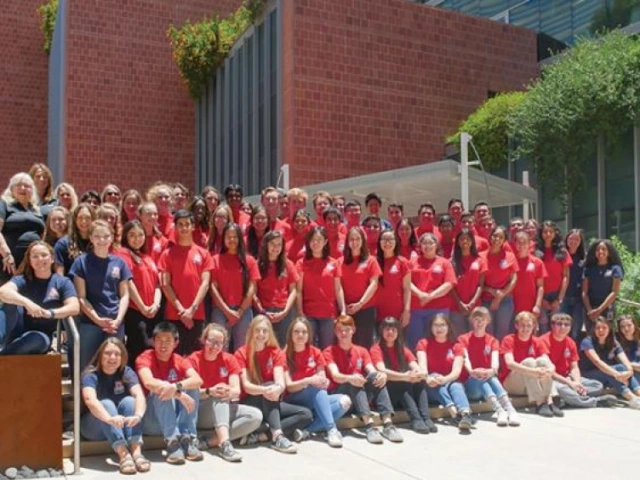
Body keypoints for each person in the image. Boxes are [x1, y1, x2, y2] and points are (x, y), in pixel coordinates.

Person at [236, 315, 312, 453]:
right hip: (251, 401)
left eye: (264, 331)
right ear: (251, 331)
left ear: (269, 333)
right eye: (257, 330)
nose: (261, 334)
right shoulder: (242, 353)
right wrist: (268, 389)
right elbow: (247, 386)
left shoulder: (276, 352)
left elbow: (281, 383)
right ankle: (277, 436)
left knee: (306, 414)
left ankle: (263, 434)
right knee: (269, 385)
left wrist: (277, 389)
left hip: (271, 399)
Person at [188, 323, 262, 462]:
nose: (214, 346)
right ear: (204, 340)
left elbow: (237, 390)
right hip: (201, 410)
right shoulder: (193, 359)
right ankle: (225, 445)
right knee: (219, 395)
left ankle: (209, 441)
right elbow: (190, 393)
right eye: (211, 341)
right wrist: (210, 391)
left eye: (219, 343)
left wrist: (228, 392)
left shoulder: (229, 359)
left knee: (255, 416)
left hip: (223, 407)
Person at [324, 314, 403, 444]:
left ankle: (388, 425)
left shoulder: (361, 351)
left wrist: (380, 374)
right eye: (339, 329)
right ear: (335, 332)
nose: (343, 333)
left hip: (360, 398)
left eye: (347, 329)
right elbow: (336, 376)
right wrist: (350, 378)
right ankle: (370, 426)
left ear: (353, 330)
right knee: (354, 380)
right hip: (342, 398)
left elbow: (371, 370)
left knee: (375, 376)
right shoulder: (329, 351)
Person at [136, 321, 203, 464]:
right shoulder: (145, 357)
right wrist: (176, 392)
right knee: (161, 388)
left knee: (191, 387)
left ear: (176, 343)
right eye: (159, 340)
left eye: (168, 340)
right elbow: (148, 382)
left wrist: (176, 386)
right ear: (153, 342)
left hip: (174, 418)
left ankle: (187, 438)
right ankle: (172, 442)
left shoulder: (179, 360)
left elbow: (198, 380)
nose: (163, 344)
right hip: (151, 421)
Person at [81, 338, 149, 474]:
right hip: (94, 427)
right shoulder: (90, 374)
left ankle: (136, 451)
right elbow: (90, 400)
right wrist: (109, 419)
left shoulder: (126, 372)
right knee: (106, 404)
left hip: (119, 424)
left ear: (123, 357)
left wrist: (138, 415)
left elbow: (139, 395)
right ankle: (123, 454)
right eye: (107, 353)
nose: (112, 357)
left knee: (130, 401)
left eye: (117, 354)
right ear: (100, 356)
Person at [70, 220, 131, 371]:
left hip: (114, 323)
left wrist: (117, 320)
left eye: (105, 236)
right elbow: (81, 297)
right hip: (90, 324)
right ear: (90, 238)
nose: (101, 240)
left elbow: (124, 295)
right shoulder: (81, 262)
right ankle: (84, 395)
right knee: (87, 366)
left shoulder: (120, 263)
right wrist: (98, 320)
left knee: (114, 366)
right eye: (97, 236)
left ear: (111, 238)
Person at [0, 241, 79, 355]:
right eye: (35, 256)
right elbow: (3, 292)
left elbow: (74, 307)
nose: (40, 259)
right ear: (30, 261)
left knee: (35, 340)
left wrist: (50, 313)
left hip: (41, 336)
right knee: (10, 302)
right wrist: (27, 303)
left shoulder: (62, 282)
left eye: (44, 255)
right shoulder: (22, 279)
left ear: (52, 259)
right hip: (15, 331)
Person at [284, 317, 351, 447]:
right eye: (296, 332)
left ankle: (306, 431)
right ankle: (331, 429)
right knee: (317, 389)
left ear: (309, 334)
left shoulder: (315, 352)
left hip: (316, 396)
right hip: (294, 398)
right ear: (290, 334)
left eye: (304, 332)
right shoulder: (284, 354)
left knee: (345, 401)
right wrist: (308, 380)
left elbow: (322, 380)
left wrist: (322, 381)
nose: (300, 335)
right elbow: (289, 387)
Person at [158, 210, 213, 355]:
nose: (184, 228)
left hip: (197, 314)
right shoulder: (167, 254)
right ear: (175, 227)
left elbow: (205, 283)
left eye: (187, 224)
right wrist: (181, 310)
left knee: (195, 355)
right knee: (173, 355)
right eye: (180, 224)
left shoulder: (204, 254)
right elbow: (165, 284)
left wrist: (192, 310)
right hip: (174, 314)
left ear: (193, 226)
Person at [371, 317, 436, 433]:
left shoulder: (402, 348)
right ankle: (415, 419)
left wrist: (418, 374)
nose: (390, 332)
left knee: (419, 382)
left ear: (398, 332)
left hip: (403, 394)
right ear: (381, 331)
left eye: (393, 330)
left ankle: (426, 418)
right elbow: (382, 370)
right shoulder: (376, 349)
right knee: (402, 383)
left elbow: (416, 366)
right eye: (387, 329)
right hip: (386, 396)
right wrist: (405, 377)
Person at [459, 307, 519, 426]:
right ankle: (500, 410)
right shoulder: (463, 339)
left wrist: (490, 371)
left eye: (483, 319)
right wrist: (472, 371)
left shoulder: (493, 341)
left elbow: (495, 363)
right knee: (481, 378)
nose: (479, 322)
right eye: (476, 319)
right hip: (471, 385)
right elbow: (465, 359)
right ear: (472, 321)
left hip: (487, 380)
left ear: (488, 321)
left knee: (489, 377)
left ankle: (510, 410)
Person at [540, 313, 611, 409]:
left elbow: (574, 367)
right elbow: (549, 370)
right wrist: (569, 383)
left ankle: (571, 398)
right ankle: (594, 402)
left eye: (566, 324)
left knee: (597, 385)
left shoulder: (570, 342)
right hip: (551, 378)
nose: (563, 327)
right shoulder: (543, 341)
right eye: (559, 324)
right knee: (562, 389)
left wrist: (577, 383)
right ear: (552, 326)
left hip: (568, 377)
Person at [416, 314, 473, 431]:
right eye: (435, 325)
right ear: (431, 328)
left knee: (456, 385)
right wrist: (428, 379)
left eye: (442, 325)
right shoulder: (423, 343)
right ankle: (454, 413)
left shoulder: (457, 346)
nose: (439, 328)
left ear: (448, 327)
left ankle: (465, 414)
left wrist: (445, 379)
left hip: (449, 382)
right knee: (435, 377)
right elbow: (423, 368)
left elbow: (456, 372)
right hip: (431, 386)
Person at [116, 220, 162, 364]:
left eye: (140, 235)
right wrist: (142, 307)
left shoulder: (147, 257)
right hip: (135, 310)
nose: (137, 239)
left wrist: (156, 304)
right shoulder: (123, 253)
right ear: (125, 237)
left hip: (152, 311)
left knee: (151, 350)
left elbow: (157, 285)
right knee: (139, 348)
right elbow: (128, 282)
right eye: (132, 235)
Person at [211, 223, 260, 351]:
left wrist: (240, 311)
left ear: (240, 238)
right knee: (219, 348)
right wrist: (227, 311)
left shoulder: (249, 261)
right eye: (228, 236)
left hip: (243, 311)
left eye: (235, 236)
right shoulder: (215, 260)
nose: (232, 240)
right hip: (220, 310)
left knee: (243, 349)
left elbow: (252, 288)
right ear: (223, 239)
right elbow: (213, 288)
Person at [499, 312, 558, 417]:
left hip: (530, 382)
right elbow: (510, 364)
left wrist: (551, 370)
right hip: (512, 384)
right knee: (529, 362)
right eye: (522, 325)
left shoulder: (537, 341)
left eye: (529, 326)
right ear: (516, 326)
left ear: (534, 326)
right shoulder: (509, 339)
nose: (525, 329)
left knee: (543, 362)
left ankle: (549, 401)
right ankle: (540, 403)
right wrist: (533, 371)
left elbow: (548, 361)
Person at [296, 226, 345, 349]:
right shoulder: (301, 263)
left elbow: (338, 289)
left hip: (328, 314)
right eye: (313, 240)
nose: (315, 243)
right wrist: (300, 311)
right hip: (308, 314)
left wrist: (343, 310)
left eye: (319, 239)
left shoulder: (333, 263)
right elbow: (299, 290)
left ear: (325, 242)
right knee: (308, 348)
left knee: (327, 349)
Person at [408, 232, 456, 350]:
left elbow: (449, 283)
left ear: (436, 245)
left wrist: (430, 296)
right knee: (416, 341)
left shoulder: (444, 262)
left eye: (431, 243)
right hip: (416, 309)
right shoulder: (412, 262)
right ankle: (419, 366)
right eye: (424, 243)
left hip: (439, 309)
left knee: (438, 340)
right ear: (420, 246)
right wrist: (420, 294)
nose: (427, 245)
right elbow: (406, 283)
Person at [579, 316, 640, 408]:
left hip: (607, 373)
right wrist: (617, 375)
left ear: (609, 329)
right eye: (598, 328)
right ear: (593, 330)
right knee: (610, 370)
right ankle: (631, 398)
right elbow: (597, 362)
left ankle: (638, 393)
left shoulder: (613, 342)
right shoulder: (587, 342)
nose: (601, 330)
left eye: (604, 328)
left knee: (621, 367)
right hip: (587, 374)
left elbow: (625, 360)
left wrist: (629, 371)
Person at [339, 226, 381, 349]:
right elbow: (338, 287)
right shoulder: (340, 262)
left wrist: (360, 304)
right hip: (346, 309)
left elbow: (374, 284)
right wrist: (343, 308)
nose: (355, 242)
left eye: (358, 239)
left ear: (363, 241)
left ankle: (365, 368)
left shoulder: (371, 261)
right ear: (347, 242)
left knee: (365, 344)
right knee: (347, 343)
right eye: (351, 239)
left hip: (366, 309)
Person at [255, 230, 298, 346]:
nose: (276, 247)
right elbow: (253, 292)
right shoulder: (258, 265)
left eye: (279, 244)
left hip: (283, 311)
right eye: (273, 244)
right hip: (264, 311)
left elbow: (294, 290)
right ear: (266, 245)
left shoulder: (288, 264)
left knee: (283, 345)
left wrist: (285, 311)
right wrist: (262, 311)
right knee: (263, 345)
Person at [0, 172, 45, 282]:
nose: (22, 188)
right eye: (18, 185)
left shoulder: (37, 210)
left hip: (33, 264)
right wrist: (6, 254)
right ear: (11, 189)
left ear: (32, 190)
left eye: (27, 186)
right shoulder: (5, 204)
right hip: (10, 262)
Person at [481, 226, 518, 340]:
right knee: (488, 331)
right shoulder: (481, 256)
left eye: (501, 237)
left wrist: (500, 295)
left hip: (505, 300)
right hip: (486, 299)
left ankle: (502, 356)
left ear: (504, 240)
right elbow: (479, 283)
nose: (497, 239)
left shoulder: (510, 256)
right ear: (490, 237)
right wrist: (491, 291)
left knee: (503, 331)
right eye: (495, 236)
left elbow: (514, 279)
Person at [535, 221, 572, 332]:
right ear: (541, 233)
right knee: (543, 326)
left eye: (551, 231)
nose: (548, 234)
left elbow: (565, 276)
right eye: (545, 231)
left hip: (557, 294)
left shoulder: (562, 252)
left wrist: (559, 299)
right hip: (540, 294)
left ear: (555, 233)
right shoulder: (535, 251)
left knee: (557, 326)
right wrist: (540, 300)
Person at [450, 229, 486, 336]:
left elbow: (481, 285)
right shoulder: (451, 262)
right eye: (461, 239)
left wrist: (472, 303)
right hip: (456, 306)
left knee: (476, 335)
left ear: (472, 241)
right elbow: (450, 286)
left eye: (467, 239)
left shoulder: (479, 260)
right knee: (459, 337)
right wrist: (460, 303)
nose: (465, 241)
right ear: (457, 242)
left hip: (475, 305)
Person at [582, 239, 623, 330]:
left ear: (609, 252)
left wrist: (599, 310)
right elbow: (584, 292)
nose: (600, 251)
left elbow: (614, 292)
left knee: (607, 335)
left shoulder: (615, 269)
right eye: (598, 249)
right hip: (590, 308)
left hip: (607, 308)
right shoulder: (588, 269)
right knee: (591, 333)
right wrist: (589, 311)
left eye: (604, 249)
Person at [376, 229, 412, 330]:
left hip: (398, 314)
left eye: (391, 239)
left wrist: (406, 311)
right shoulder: (374, 262)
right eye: (384, 239)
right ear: (379, 242)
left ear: (396, 241)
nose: (387, 243)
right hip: (377, 313)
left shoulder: (402, 262)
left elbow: (407, 289)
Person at [512, 231, 547, 323]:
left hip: (530, 306)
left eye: (524, 242)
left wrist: (537, 305)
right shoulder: (511, 261)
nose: (521, 245)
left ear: (529, 244)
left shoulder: (537, 262)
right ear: (515, 244)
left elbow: (540, 286)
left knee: (530, 333)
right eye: (519, 242)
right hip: (512, 306)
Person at [54, 203, 95, 276]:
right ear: (75, 220)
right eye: (80, 218)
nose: (84, 221)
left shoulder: (98, 243)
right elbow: (59, 275)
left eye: (87, 218)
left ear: (93, 219)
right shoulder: (63, 244)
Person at [563, 229, 586, 340]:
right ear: (566, 239)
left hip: (578, 299)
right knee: (562, 327)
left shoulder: (583, 259)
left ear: (580, 242)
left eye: (577, 239)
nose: (573, 241)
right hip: (563, 298)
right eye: (571, 238)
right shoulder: (560, 255)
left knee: (576, 329)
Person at [617, 315, 640, 384]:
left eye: (629, 325)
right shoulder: (616, 341)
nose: (626, 329)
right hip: (626, 370)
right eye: (622, 327)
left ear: (634, 325)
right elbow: (617, 361)